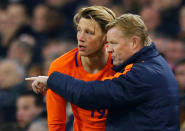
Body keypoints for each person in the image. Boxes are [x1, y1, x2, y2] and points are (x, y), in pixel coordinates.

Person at [26, 13, 180, 130]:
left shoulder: (144, 73)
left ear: (134, 42)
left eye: (113, 43)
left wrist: (52, 80)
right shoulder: (153, 64)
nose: (109, 48)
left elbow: (91, 95)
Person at [29, 6, 116, 131]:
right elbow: (56, 124)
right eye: (79, 30)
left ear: (106, 37)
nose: (81, 37)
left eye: (89, 32)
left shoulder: (122, 63)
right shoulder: (60, 67)